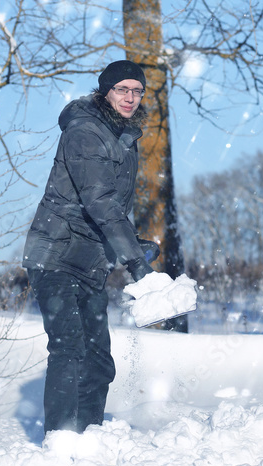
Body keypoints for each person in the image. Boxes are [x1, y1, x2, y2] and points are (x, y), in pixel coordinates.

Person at [22, 59, 160, 434]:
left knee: (98, 361)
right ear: (105, 91)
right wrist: (136, 263)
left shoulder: (122, 136)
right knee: (68, 348)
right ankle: (61, 439)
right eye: (121, 89)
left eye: (137, 91)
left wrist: (132, 244)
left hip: (89, 262)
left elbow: (105, 208)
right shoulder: (85, 132)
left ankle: (89, 437)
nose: (130, 97)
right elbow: (99, 202)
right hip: (55, 256)